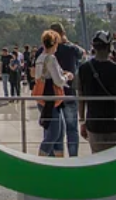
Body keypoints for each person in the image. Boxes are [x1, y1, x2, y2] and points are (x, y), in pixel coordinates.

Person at [77, 31, 116, 154]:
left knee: (97, 159)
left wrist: (82, 121)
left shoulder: (83, 69)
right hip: (115, 122)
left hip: (94, 123)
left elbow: (81, 98)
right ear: (110, 47)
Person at [47, 22, 85, 157]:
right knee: (71, 129)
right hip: (69, 92)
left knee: (53, 130)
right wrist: (67, 41)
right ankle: (73, 157)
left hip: (51, 94)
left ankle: (53, 157)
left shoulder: (45, 51)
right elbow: (82, 53)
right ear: (63, 33)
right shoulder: (71, 49)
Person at [35, 30, 71, 158]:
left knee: (58, 132)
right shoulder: (51, 58)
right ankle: (42, 160)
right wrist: (67, 77)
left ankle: (56, 160)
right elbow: (58, 80)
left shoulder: (40, 58)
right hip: (52, 98)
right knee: (55, 134)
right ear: (55, 43)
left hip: (43, 98)